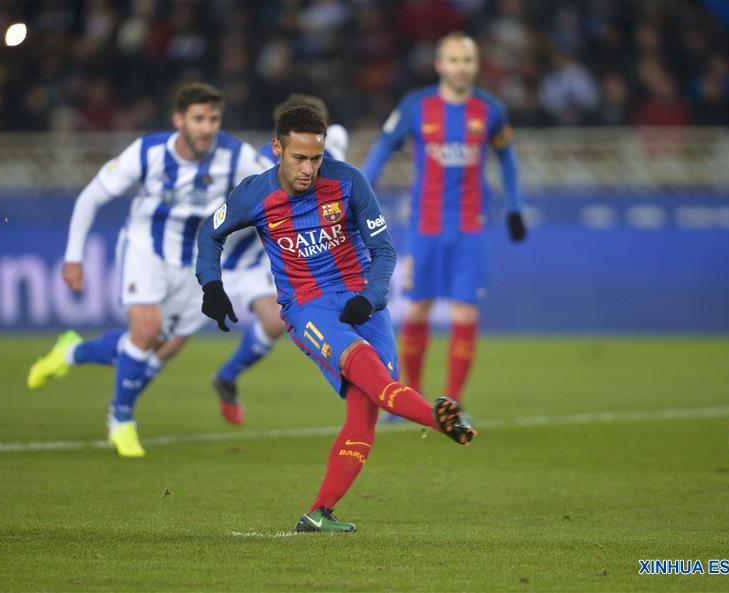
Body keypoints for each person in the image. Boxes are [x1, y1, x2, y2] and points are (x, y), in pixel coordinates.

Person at [197, 105, 476, 532]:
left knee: (365, 412)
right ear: (277, 149)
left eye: (316, 158)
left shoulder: (349, 182)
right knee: (378, 382)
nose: (309, 169)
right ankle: (437, 418)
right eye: (298, 158)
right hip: (307, 306)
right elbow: (210, 233)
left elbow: (383, 251)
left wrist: (372, 297)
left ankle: (319, 513)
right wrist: (211, 286)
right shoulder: (254, 194)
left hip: (362, 303)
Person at [26, 83, 272, 457]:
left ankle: (71, 352)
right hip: (146, 249)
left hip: (196, 262)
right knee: (145, 329)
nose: (207, 127)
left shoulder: (235, 155)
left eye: (214, 119)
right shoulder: (148, 152)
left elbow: (274, 186)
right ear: (179, 120)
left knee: (157, 343)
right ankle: (121, 419)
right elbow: (92, 196)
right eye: (199, 118)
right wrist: (73, 257)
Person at [362, 32, 526, 413]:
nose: (460, 67)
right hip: (425, 225)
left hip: (471, 227)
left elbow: (508, 160)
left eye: (467, 60)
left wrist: (515, 208)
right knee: (417, 309)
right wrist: (360, 196)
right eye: (453, 60)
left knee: (465, 312)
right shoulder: (415, 106)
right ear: (439, 64)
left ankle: (452, 402)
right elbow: (383, 149)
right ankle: (412, 400)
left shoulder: (490, 110)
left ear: (476, 65)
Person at [211, 94, 349, 424]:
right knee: (157, 339)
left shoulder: (333, 147)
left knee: (282, 319)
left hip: (277, 255)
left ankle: (226, 377)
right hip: (240, 257)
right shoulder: (260, 164)